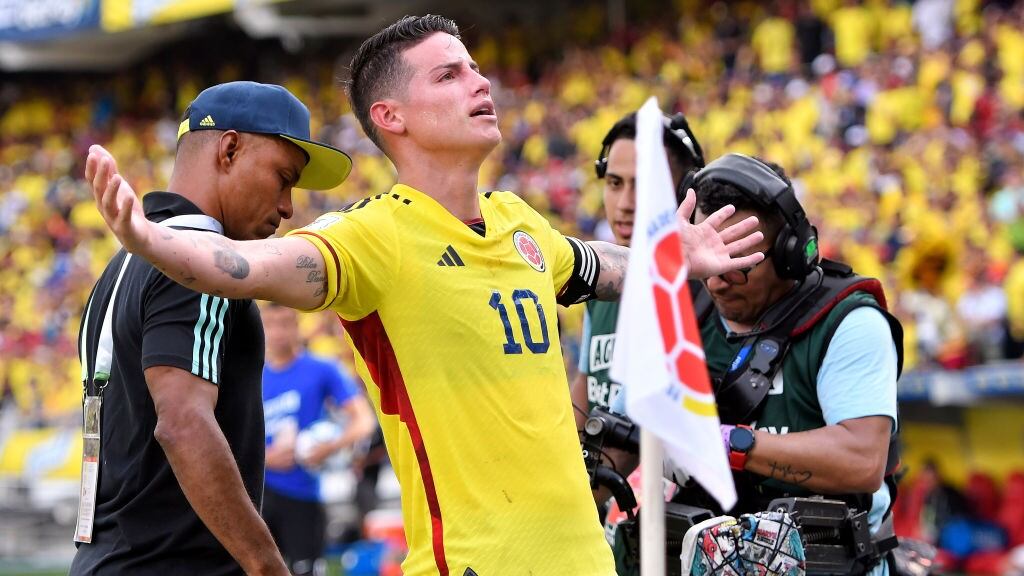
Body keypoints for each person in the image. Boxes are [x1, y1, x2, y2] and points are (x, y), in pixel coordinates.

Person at [84, 14, 766, 576]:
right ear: (393, 116)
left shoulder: (521, 224)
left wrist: (679, 256)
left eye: (474, 67)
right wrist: (151, 239)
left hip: (585, 560)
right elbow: (247, 265)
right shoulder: (373, 236)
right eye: (450, 73)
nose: (480, 82)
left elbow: (599, 265)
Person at [72, 81, 352, 576]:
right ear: (229, 149)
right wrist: (268, 566)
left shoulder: (118, 270)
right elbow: (182, 423)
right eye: (283, 177)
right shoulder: (197, 263)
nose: (288, 206)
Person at [685, 153, 904, 574]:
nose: (715, 279)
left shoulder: (849, 322)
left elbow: (863, 459)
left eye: (738, 261)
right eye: (705, 258)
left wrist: (723, 443)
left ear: (790, 252)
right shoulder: (685, 315)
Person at [571, 109, 706, 507]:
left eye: (645, 186)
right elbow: (588, 385)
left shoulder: (706, 291)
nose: (626, 203)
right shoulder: (603, 281)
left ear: (684, 192)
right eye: (614, 183)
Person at [261, 302, 375, 576]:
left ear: (298, 326)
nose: (278, 333)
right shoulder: (248, 374)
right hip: (256, 495)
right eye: (270, 325)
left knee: (306, 570)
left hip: (303, 493)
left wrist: (329, 447)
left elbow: (364, 421)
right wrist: (265, 458)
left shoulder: (322, 369)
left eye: (285, 324)